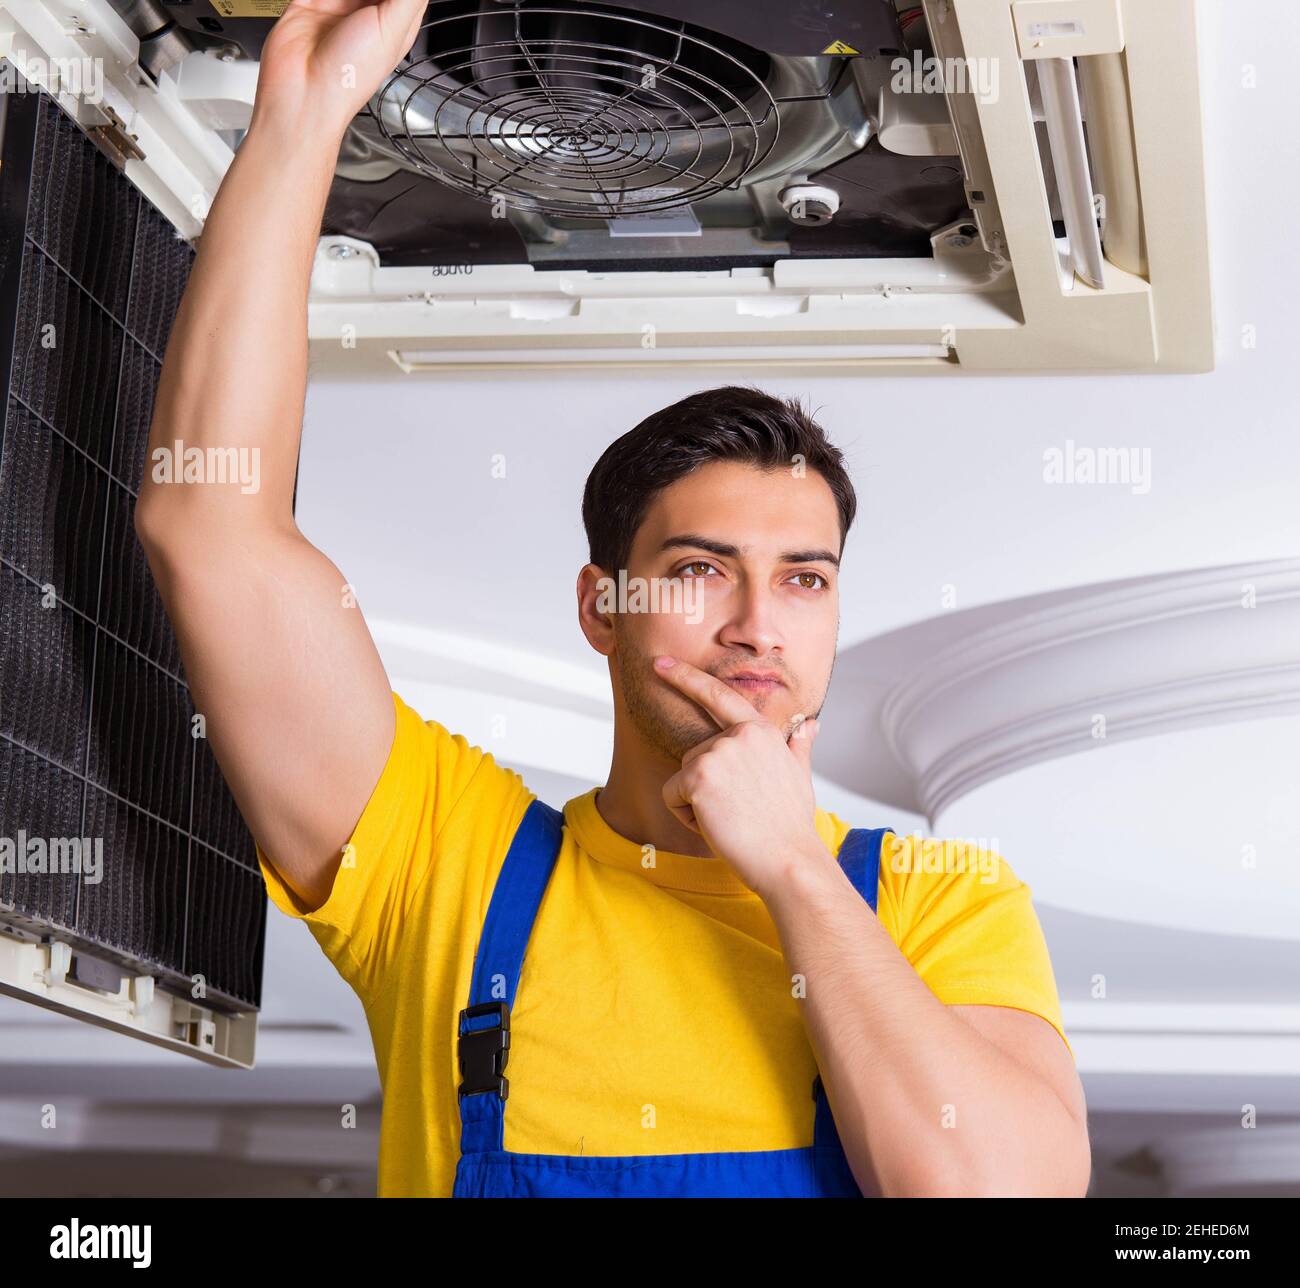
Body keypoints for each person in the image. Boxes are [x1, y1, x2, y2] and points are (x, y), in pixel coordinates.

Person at [135, 0, 1090, 1197]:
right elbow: (208, 526)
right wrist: (301, 112)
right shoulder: (451, 864)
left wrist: (794, 871)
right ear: (602, 606)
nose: (756, 623)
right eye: (699, 571)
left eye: (804, 579)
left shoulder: (939, 902)